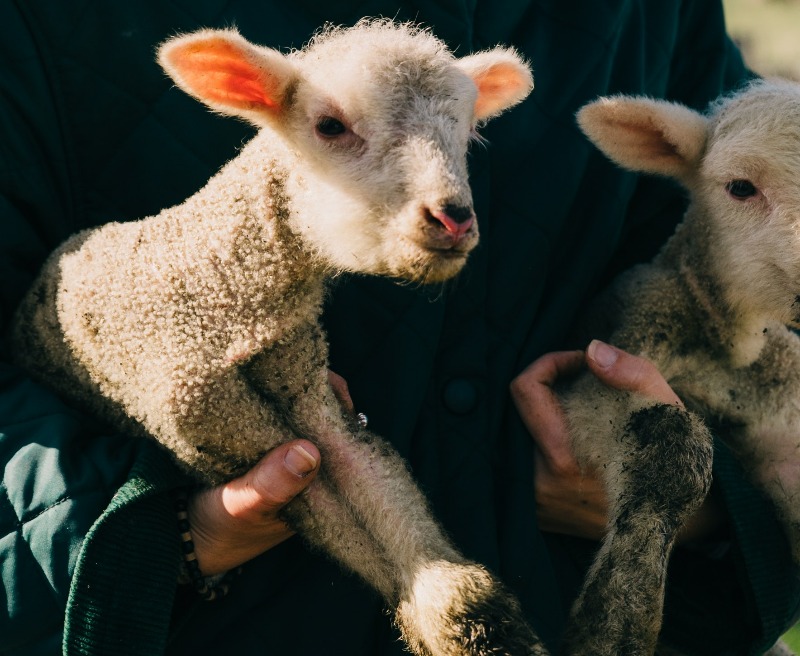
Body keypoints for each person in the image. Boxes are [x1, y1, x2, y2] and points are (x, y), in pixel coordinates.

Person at [1, 1, 797, 654]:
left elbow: (735, 271)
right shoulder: (50, 26)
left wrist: (697, 498)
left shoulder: (642, 14)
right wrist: (152, 542)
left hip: (559, 610)